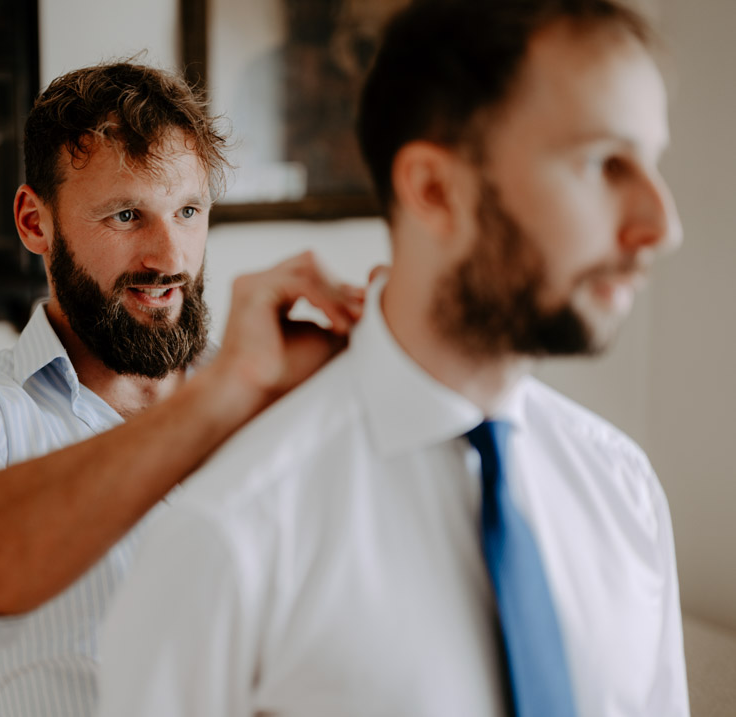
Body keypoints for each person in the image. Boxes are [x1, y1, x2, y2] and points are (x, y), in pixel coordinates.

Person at [96, 1, 689, 715]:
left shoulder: (623, 489)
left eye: (651, 163)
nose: (663, 226)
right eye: (602, 163)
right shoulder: (231, 536)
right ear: (435, 191)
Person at [0, 62, 366, 715]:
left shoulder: (280, 396)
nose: (170, 258)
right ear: (35, 222)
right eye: (127, 215)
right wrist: (217, 400)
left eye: (188, 211)